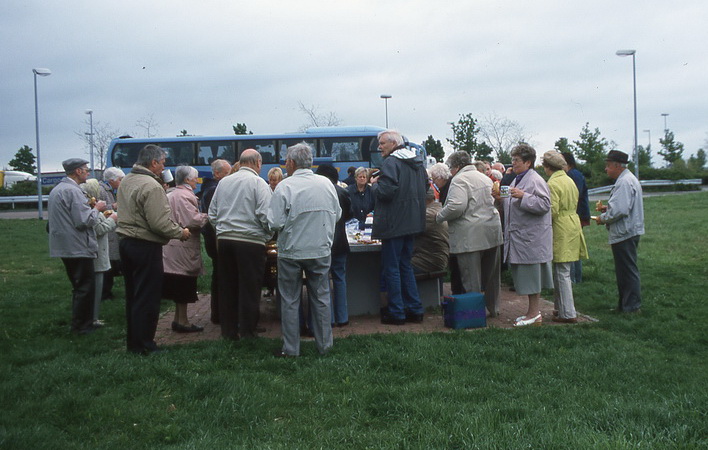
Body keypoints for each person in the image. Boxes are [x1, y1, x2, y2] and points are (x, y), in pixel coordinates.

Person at [268, 143, 341, 357]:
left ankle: (291, 349)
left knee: (290, 300)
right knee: (321, 298)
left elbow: (274, 222)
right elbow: (336, 214)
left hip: (291, 250)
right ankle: (324, 346)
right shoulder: (326, 184)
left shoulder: (285, 186)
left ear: (290, 163)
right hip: (320, 249)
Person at [117, 145, 190, 355]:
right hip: (145, 245)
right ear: (154, 163)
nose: (165, 165)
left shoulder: (127, 180)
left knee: (134, 296)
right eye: (163, 161)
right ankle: (145, 345)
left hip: (126, 243)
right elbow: (159, 223)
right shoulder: (151, 185)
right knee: (147, 297)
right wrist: (180, 233)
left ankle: (134, 343)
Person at [209, 149, 273, 339]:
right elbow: (265, 214)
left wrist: (222, 230)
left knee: (227, 286)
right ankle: (247, 330)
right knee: (250, 287)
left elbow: (212, 214)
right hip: (250, 241)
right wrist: (267, 234)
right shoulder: (259, 183)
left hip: (226, 240)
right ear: (258, 163)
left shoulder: (224, 183)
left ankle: (228, 331)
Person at [371, 130, 427, 325]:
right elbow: (426, 187)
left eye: (382, 143)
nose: (379, 148)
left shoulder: (391, 163)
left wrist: (374, 185)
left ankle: (397, 312)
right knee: (405, 266)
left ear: (394, 143)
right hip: (412, 222)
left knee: (392, 268)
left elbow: (385, 192)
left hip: (394, 224)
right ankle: (415, 309)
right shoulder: (417, 162)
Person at [437, 151, 503, 317]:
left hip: (470, 235)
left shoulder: (459, 180)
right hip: (492, 230)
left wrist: (439, 216)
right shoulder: (485, 178)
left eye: (451, 168)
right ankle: (494, 309)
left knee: (471, 277)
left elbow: (456, 206)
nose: (450, 172)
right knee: (492, 276)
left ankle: (475, 313)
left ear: (457, 167)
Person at [48, 158, 107, 335]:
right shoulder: (73, 191)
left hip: (66, 245)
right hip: (78, 245)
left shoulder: (58, 189)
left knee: (79, 285)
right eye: (86, 170)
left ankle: (81, 322)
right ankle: (82, 326)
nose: (88, 173)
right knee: (85, 287)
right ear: (78, 171)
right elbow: (84, 221)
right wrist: (97, 208)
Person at [500, 144, 553, 327]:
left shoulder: (535, 180)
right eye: (512, 159)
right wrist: (500, 196)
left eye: (516, 160)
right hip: (522, 238)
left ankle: (534, 314)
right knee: (528, 278)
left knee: (532, 278)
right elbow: (512, 197)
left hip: (531, 239)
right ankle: (531, 313)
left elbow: (545, 204)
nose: (513, 163)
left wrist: (524, 196)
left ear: (528, 162)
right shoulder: (518, 178)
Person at [595, 150, 644, 313]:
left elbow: (620, 210)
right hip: (628, 230)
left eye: (608, 166)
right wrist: (607, 208)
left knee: (627, 271)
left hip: (625, 232)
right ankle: (625, 305)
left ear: (617, 166)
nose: (606, 169)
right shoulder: (627, 179)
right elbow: (622, 206)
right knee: (625, 270)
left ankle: (631, 307)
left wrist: (603, 217)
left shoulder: (624, 182)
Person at [542, 151, 588, 323]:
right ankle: (561, 308)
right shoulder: (569, 179)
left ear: (548, 167)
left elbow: (551, 210)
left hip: (561, 226)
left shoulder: (553, 183)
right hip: (572, 223)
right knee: (563, 270)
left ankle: (568, 313)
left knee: (562, 272)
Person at [163, 166, 209, 333]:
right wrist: (208, 216)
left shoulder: (172, 193)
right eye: (195, 178)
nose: (197, 181)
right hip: (183, 246)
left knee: (179, 285)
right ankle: (183, 321)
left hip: (173, 247)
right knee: (183, 285)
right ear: (188, 180)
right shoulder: (185, 196)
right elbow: (192, 220)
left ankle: (178, 319)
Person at [315, 164, 353, 327]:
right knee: (339, 279)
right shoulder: (343, 192)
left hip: (322, 242)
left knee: (323, 281)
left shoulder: (316, 191)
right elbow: (349, 214)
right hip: (341, 242)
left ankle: (328, 318)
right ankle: (342, 317)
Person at [200, 159, 232, 324]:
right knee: (221, 276)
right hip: (216, 238)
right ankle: (219, 314)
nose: (230, 176)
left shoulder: (209, 188)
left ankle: (218, 313)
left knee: (219, 275)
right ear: (217, 174)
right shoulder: (214, 190)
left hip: (213, 237)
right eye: (227, 173)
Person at [82, 179, 118, 327]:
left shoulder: (88, 205)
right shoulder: (90, 207)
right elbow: (98, 229)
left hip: (95, 250)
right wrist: (112, 220)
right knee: (96, 286)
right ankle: (92, 318)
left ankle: (91, 317)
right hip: (96, 250)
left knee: (95, 285)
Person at [562, 152, 591, 283]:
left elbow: (575, 195)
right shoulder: (573, 174)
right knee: (574, 248)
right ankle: (576, 279)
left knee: (572, 248)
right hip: (576, 214)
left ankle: (574, 279)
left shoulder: (573, 175)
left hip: (577, 215)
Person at [99, 167, 124, 300]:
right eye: (120, 180)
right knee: (107, 263)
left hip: (111, 230)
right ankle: (105, 293)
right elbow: (98, 207)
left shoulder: (110, 190)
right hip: (107, 230)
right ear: (111, 180)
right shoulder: (102, 190)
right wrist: (113, 207)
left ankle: (107, 291)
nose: (121, 182)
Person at [412, 189, 449, 274]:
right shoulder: (438, 209)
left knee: (392, 268)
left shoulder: (427, 214)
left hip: (427, 260)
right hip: (435, 258)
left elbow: (405, 229)